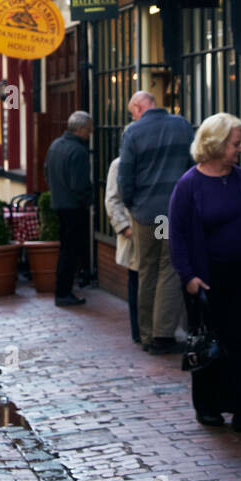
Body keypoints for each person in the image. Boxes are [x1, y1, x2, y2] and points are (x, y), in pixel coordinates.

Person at [168, 113, 241, 431]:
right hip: (207, 278)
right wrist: (188, 276)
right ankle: (208, 406)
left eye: (239, 142)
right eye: (234, 143)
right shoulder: (189, 185)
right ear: (214, 144)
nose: (239, 148)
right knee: (208, 341)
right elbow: (178, 236)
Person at [117, 90, 193, 354]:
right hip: (173, 211)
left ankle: (148, 334)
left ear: (139, 107)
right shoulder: (182, 125)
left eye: (132, 112)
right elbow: (192, 165)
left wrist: (132, 205)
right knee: (169, 269)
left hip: (146, 213)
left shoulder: (133, 133)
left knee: (146, 271)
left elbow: (124, 176)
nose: (133, 117)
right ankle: (163, 333)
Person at [43, 109, 93, 307]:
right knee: (70, 251)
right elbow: (79, 185)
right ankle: (63, 293)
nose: (90, 135)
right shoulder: (78, 151)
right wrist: (89, 199)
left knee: (65, 249)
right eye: (88, 131)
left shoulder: (55, 145)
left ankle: (63, 290)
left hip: (59, 204)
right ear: (80, 130)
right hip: (74, 207)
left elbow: (47, 172)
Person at [105, 141, 140, 345]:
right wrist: (124, 227)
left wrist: (165, 233)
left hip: (160, 230)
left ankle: (160, 332)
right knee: (136, 278)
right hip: (133, 233)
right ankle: (139, 331)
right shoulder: (119, 165)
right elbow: (112, 199)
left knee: (161, 278)